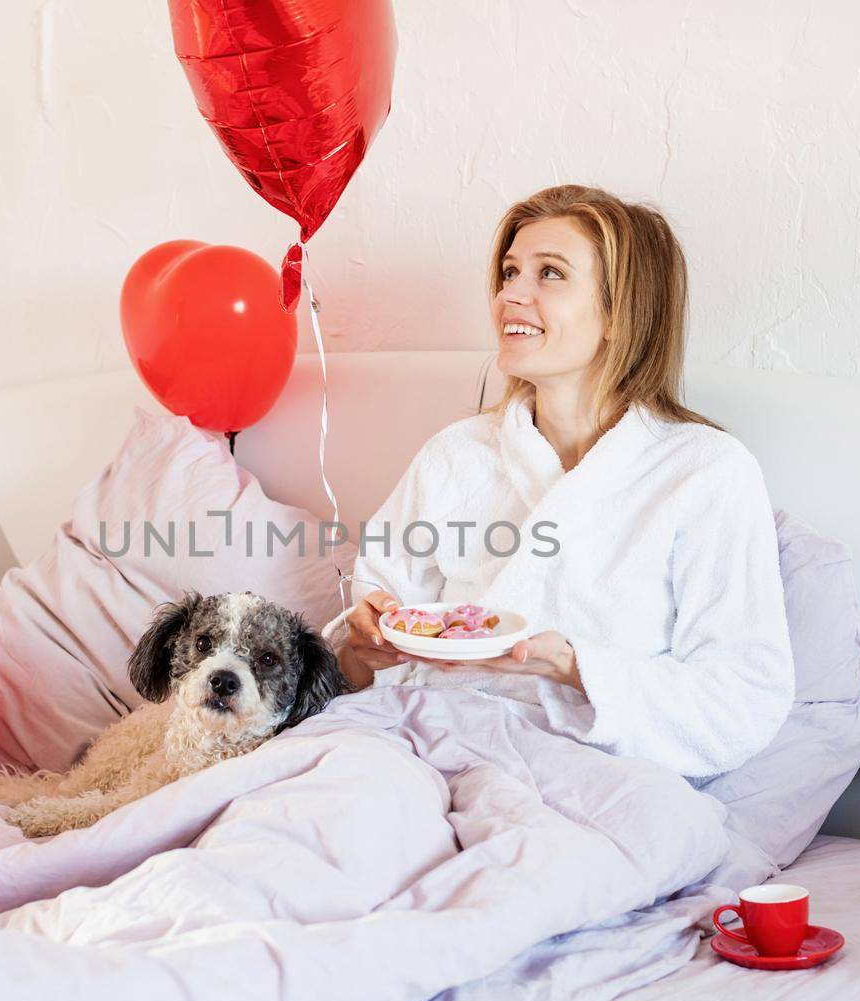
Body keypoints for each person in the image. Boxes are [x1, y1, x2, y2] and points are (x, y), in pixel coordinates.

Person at [324, 185, 795, 780]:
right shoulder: (457, 455)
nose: (510, 295)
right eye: (510, 271)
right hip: (418, 751)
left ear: (620, 314)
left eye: (549, 273)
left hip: (592, 778)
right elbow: (361, 640)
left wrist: (574, 667)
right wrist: (361, 644)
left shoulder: (704, 472)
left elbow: (741, 701)